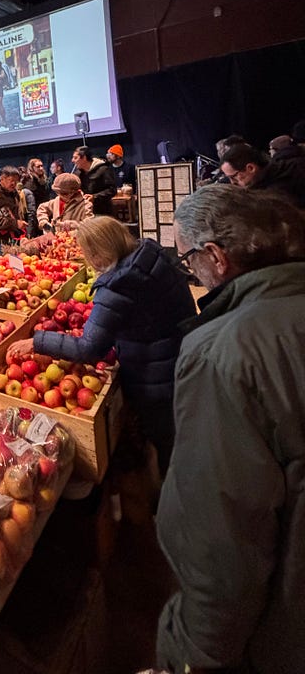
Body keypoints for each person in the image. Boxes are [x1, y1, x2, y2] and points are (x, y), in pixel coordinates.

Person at [156, 185, 305, 674]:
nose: (189, 271)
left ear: (216, 257)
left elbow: (222, 540)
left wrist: (190, 653)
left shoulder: (223, 353)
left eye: (188, 260)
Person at [8, 215, 195, 475]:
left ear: (96, 255)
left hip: (155, 374)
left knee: (165, 443)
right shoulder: (150, 256)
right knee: (175, 433)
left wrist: (37, 341)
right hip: (180, 352)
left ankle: (167, 488)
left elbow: (89, 348)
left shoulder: (118, 286)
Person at [71, 146, 117, 215]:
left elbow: (112, 190)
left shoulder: (103, 169)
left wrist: (94, 197)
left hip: (102, 211)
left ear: (84, 158)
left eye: (75, 158)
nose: (72, 160)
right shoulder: (78, 173)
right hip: (85, 211)